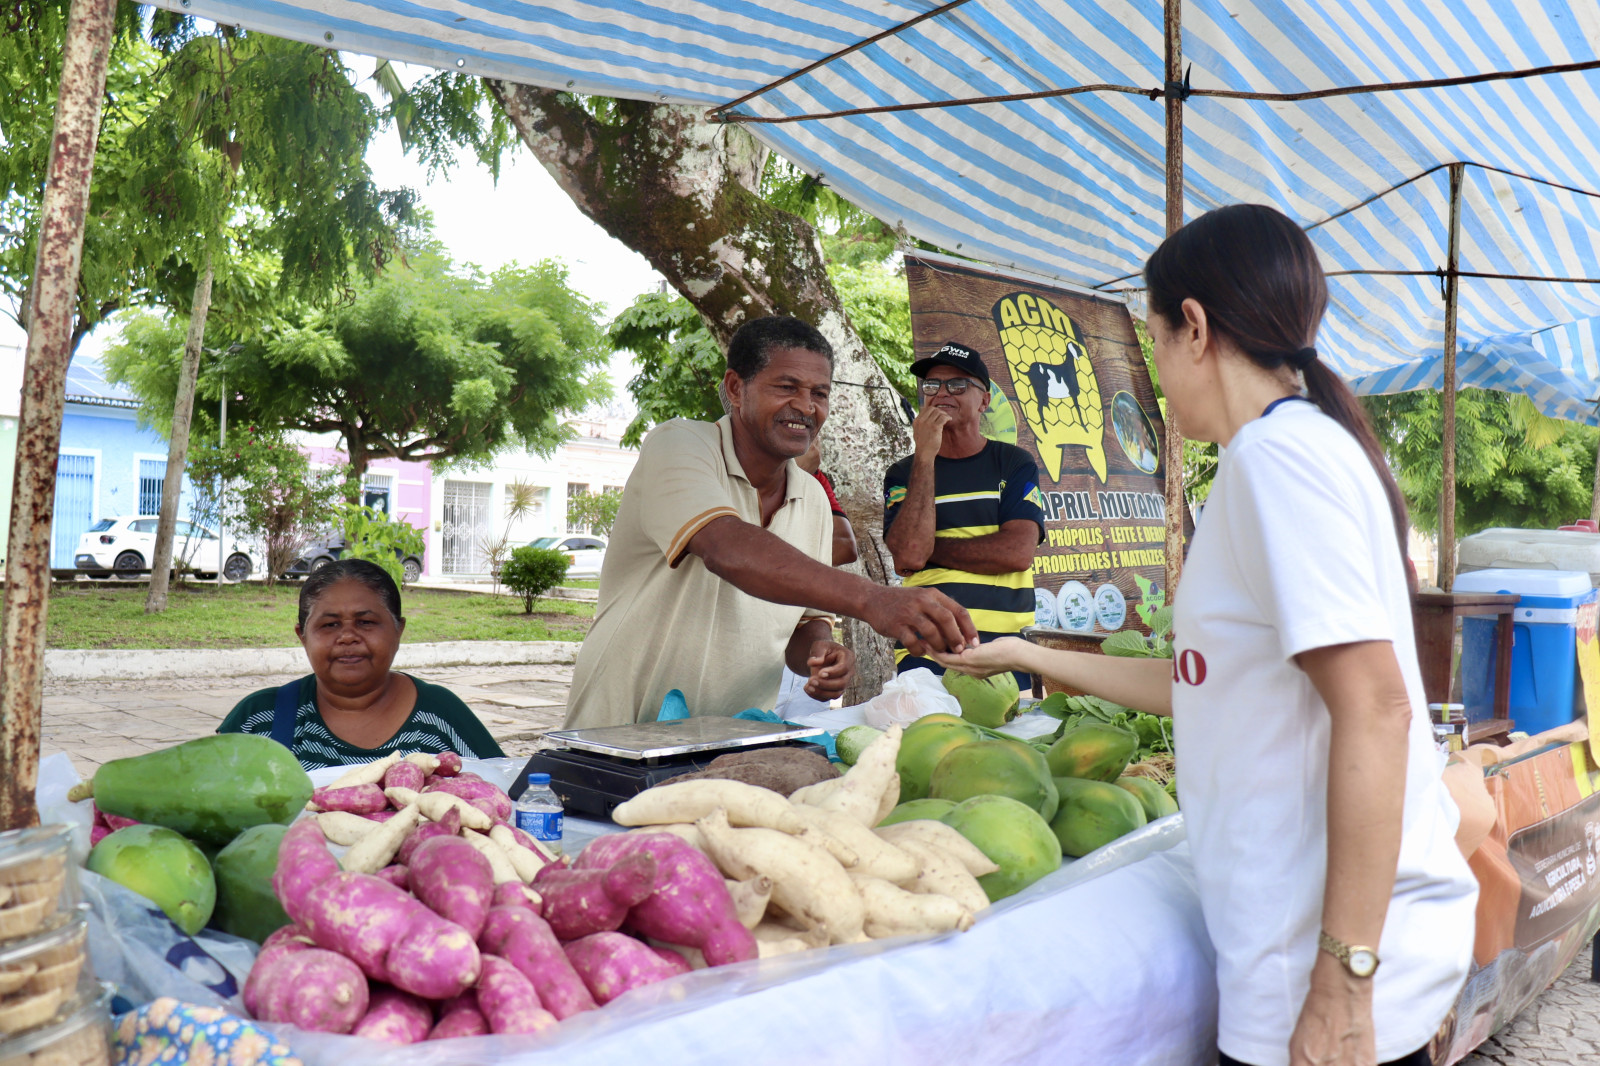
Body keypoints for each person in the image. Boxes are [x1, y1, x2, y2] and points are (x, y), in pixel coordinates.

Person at [936, 204, 1476, 1066]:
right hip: (1303, 956)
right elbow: (1211, 681)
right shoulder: (1292, 449)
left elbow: (1376, 709)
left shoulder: (1278, 460)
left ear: (1193, 326)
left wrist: (1342, 986)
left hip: (1316, 971)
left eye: (1152, 340)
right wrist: (1027, 654)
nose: (1157, 371)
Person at [564, 315, 977, 729]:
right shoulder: (679, 445)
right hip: (618, 732)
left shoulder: (813, 497)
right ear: (735, 388)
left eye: (820, 393)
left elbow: (805, 621)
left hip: (733, 738)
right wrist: (873, 598)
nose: (806, 406)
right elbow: (726, 548)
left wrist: (821, 653)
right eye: (786, 387)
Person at [218, 559, 503, 769]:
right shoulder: (257, 719)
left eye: (365, 622)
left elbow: (506, 794)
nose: (347, 637)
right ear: (302, 636)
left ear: (398, 630)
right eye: (329, 625)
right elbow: (205, 806)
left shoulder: (441, 713)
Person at [884, 341, 1044, 689]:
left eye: (957, 385)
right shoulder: (903, 472)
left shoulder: (1014, 462)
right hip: (926, 651)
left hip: (1005, 652)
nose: (941, 393)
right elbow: (910, 554)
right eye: (931, 385)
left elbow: (1017, 553)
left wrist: (932, 550)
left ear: (984, 401)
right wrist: (925, 455)